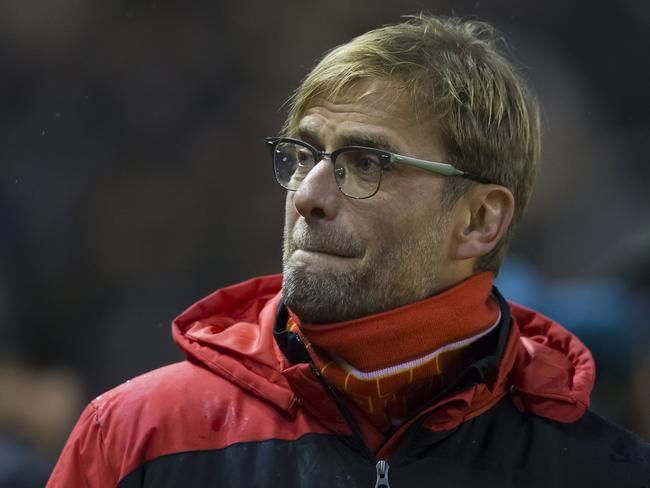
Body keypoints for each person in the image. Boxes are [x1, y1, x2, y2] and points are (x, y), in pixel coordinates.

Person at [48, 15, 650, 487]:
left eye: (366, 163)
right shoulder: (136, 436)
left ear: (479, 219)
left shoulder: (606, 472)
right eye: (304, 155)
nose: (307, 195)